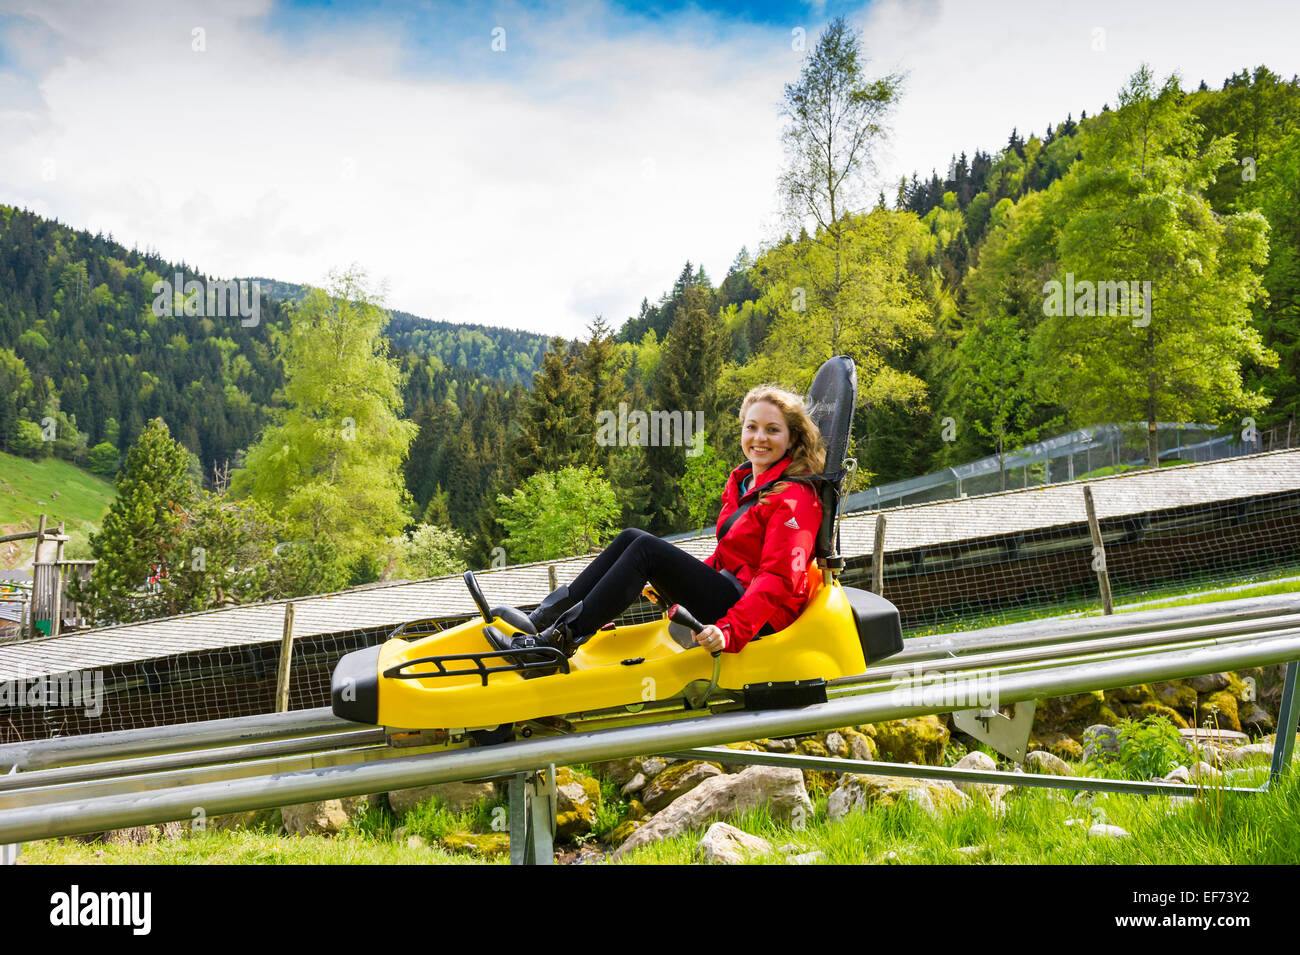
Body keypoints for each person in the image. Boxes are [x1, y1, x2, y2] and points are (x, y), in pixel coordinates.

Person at [488, 384, 826, 662]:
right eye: (751, 427)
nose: (759, 438)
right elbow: (727, 558)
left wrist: (729, 630)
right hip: (734, 595)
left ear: (793, 439)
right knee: (632, 537)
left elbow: (778, 579)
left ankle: (554, 645)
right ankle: (543, 621)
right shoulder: (745, 484)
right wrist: (673, 580)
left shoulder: (795, 498)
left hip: (760, 618)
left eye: (772, 430)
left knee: (647, 552)